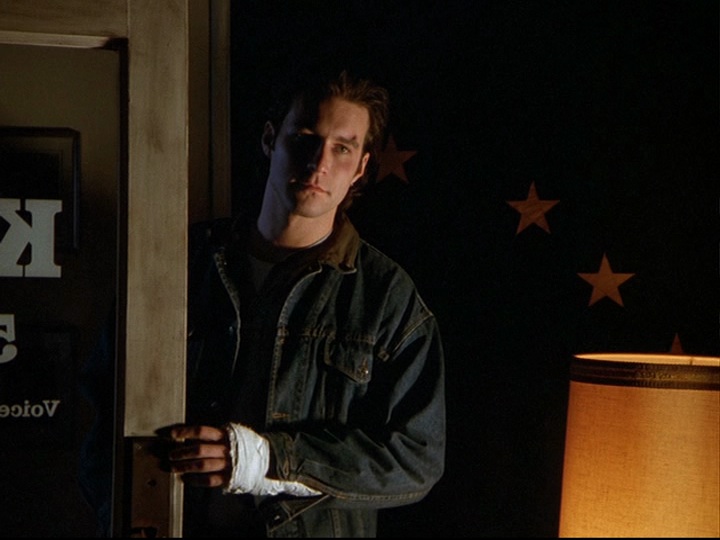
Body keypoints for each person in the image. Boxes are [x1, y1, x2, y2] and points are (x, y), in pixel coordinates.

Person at [80, 67, 446, 538]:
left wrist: (268, 460)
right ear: (271, 139)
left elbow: (416, 460)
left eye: (342, 148)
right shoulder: (181, 263)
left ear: (360, 167)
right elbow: (100, 414)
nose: (319, 164)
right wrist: (120, 512)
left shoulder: (385, 297)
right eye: (305, 139)